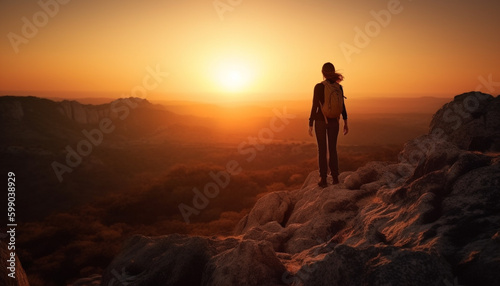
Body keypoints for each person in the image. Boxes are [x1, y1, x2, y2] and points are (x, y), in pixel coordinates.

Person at [308, 62, 348, 188]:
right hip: (335, 121)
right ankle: (335, 177)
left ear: (323, 73)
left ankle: (323, 179)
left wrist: (310, 123)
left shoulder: (319, 87)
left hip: (320, 121)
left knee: (322, 150)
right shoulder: (338, 87)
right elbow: (342, 106)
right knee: (332, 149)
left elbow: (315, 105)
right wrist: (345, 121)